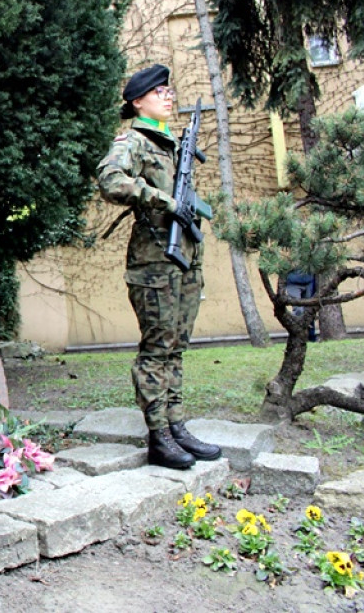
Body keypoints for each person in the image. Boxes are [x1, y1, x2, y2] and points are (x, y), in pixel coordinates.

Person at [96, 64, 221, 470]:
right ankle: (159, 436)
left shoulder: (168, 144)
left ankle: (176, 425)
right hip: (154, 265)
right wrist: (161, 200)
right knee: (157, 350)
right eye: (159, 91)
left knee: (176, 350)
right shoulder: (133, 141)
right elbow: (110, 179)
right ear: (138, 102)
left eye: (170, 90)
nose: (168, 95)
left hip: (184, 262)